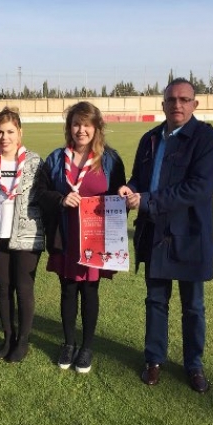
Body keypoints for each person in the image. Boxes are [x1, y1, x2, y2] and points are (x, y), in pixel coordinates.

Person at [118, 78, 213, 393]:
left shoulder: (209, 139)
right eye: (171, 99)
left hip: (190, 234)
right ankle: (154, 359)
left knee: (193, 305)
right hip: (155, 233)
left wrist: (147, 200)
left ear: (195, 104)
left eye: (184, 99)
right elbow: (140, 177)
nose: (177, 104)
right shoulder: (150, 139)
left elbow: (199, 188)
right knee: (155, 300)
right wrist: (131, 189)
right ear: (162, 104)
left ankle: (194, 365)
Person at [37, 101, 126, 373]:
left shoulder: (110, 159)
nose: (81, 130)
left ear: (96, 128)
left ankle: (86, 347)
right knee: (67, 289)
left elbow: (120, 196)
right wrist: (62, 199)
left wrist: (123, 192)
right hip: (66, 236)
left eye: (86, 124)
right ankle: (68, 344)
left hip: (95, 238)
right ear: (69, 127)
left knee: (89, 291)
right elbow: (40, 193)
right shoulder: (55, 158)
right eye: (76, 124)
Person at [0, 107, 44, 362]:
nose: (4, 137)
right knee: (3, 288)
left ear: (20, 133)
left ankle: (23, 341)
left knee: (24, 287)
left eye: (9, 131)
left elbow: (45, 196)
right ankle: (8, 336)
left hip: (26, 236)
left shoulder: (34, 162)